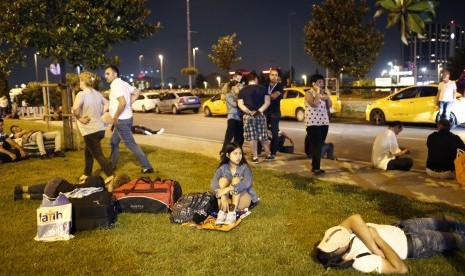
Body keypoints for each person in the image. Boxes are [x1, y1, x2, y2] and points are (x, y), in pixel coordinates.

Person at [315, 213, 465, 274]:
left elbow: (354, 218)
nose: (341, 232)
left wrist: (374, 248)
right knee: (457, 239)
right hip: (416, 243)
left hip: (403, 226)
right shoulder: (360, 261)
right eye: (337, 242)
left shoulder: (345, 235)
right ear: (342, 257)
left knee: (447, 222)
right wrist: (377, 239)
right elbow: (401, 269)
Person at [104, 65, 153, 173]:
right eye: (105, 74)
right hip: (125, 118)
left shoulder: (116, 86)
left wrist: (116, 116)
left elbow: (122, 102)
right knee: (113, 141)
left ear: (115, 74)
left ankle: (147, 167)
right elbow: (137, 93)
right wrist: (128, 104)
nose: (105, 76)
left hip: (121, 120)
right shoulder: (123, 83)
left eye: (108, 73)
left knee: (130, 144)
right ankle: (112, 164)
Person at [72, 71, 115, 184]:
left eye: (80, 81)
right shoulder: (97, 93)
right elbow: (108, 103)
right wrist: (101, 112)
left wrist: (80, 118)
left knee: (98, 155)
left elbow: (75, 109)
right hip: (100, 128)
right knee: (88, 151)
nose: (79, 83)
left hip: (90, 130)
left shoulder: (81, 94)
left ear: (82, 81)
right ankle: (86, 173)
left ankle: (111, 176)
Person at [210, 142, 259, 225]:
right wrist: (223, 197)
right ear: (228, 155)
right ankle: (222, 212)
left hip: (242, 199)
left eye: (240, 153)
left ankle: (232, 213)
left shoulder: (245, 168)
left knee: (236, 179)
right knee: (222, 180)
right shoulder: (223, 168)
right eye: (235, 153)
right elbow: (213, 182)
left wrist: (228, 188)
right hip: (228, 198)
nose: (238, 156)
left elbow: (247, 183)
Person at [237, 72, 272, 163]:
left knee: (253, 137)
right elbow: (267, 102)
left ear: (248, 80)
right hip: (260, 115)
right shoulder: (263, 89)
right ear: (256, 79)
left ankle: (255, 157)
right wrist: (259, 111)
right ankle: (268, 155)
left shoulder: (242, 90)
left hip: (248, 116)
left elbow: (240, 104)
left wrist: (249, 112)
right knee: (264, 136)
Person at [13, 174, 131, 200]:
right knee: (55, 196)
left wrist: (105, 181)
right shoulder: (104, 196)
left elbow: (85, 180)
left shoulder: (99, 179)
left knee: (53, 187)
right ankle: (24, 197)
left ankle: (23, 188)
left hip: (57, 183)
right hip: (55, 196)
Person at [305, 74, 332, 176]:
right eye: (319, 82)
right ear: (313, 83)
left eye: (322, 82)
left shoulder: (323, 93)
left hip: (324, 123)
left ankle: (314, 166)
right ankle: (317, 168)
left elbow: (330, 105)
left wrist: (328, 98)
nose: (321, 84)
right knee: (317, 145)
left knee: (319, 145)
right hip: (312, 123)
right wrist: (317, 92)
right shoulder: (308, 93)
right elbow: (315, 104)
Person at [220, 72, 244, 156]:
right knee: (229, 135)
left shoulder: (241, 86)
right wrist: (233, 96)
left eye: (240, 79)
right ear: (234, 77)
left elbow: (243, 97)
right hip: (232, 114)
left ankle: (238, 152)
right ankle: (223, 151)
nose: (238, 81)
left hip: (240, 115)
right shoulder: (227, 86)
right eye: (237, 78)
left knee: (239, 136)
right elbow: (223, 96)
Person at [265, 68, 284, 158]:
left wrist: (264, 94)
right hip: (265, 111)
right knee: (263, 132)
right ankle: (263, 150)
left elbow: (273, 96)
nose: (274, 77)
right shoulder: (265, 85)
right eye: (272, 75)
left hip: (275, 112)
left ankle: (273, 152)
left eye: (276, 75)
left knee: (274, 132)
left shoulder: (279, 86)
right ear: (269, 76)